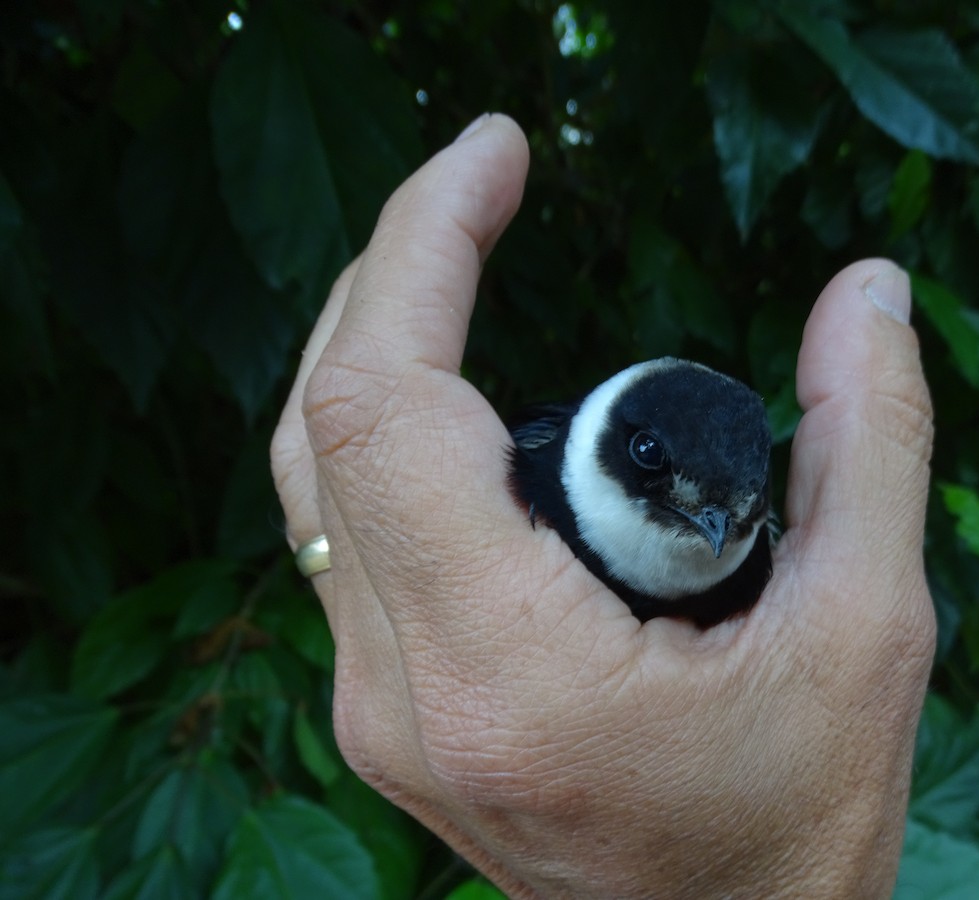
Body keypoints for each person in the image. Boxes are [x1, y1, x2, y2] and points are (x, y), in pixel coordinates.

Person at [270, 113, 936, 898]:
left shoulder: (751, 563)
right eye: (651, 462)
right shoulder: (528, 455)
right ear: (618, 435)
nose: (714, 528)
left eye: (741, 516)